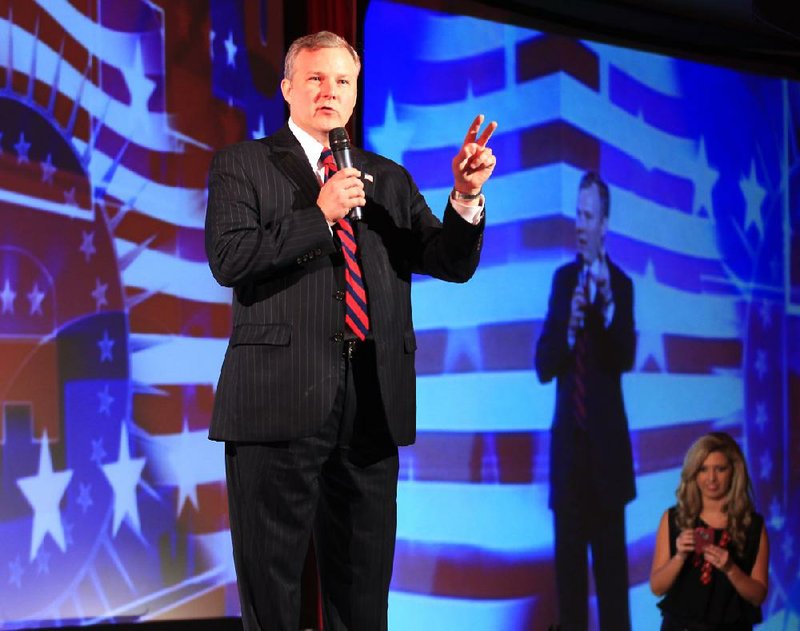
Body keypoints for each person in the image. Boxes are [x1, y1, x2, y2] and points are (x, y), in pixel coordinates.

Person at [204, 31, 497, 631]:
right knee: (273, 593)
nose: (329, 91)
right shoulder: (244, 165)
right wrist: (319, 215)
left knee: (362, 599)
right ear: (287, 89)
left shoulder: (385, 179)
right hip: (274, 405)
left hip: (370, 407)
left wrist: (466, 198)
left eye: (342, 81)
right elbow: (230, 260)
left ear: (355, 93)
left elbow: (449, 261)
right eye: (314, 78)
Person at [535, 171, 636, 631]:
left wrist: (606, 308)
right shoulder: (562, 283)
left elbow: (624, 356)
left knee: (614, 596)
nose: (580, 224)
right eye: (577, 213)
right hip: (569, 470)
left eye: (588, 215)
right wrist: (570, 327)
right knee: (570, 599)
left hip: (608, 471)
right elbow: (543, 366)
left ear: (604, 224)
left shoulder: (621, 286)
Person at [650, 432, 769, 630]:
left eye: (720, 469)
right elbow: (657, 587)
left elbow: (758, 596)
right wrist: (679, 557)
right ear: (694, 473)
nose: (711, 478)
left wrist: (731, 569)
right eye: (703, 469)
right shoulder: (673, 519)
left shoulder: (753, 526)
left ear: (734, 471)